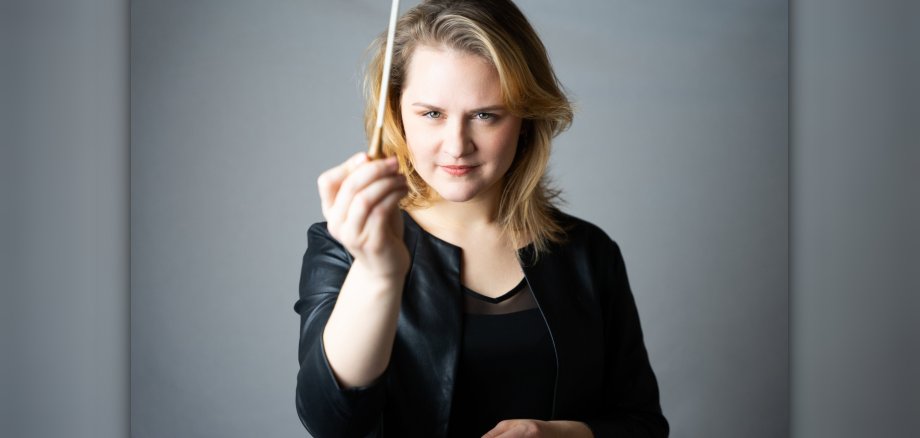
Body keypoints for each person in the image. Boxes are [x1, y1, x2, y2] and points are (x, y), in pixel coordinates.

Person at [294, 0, 668, 436]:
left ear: (525, 119)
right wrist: (379, 271)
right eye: (432, 113)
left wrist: (559, 434)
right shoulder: (343, 248)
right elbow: (330, 422)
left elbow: (642, 424)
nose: (457, 145)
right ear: (395, 113)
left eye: (485, 115)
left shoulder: (588, 252)